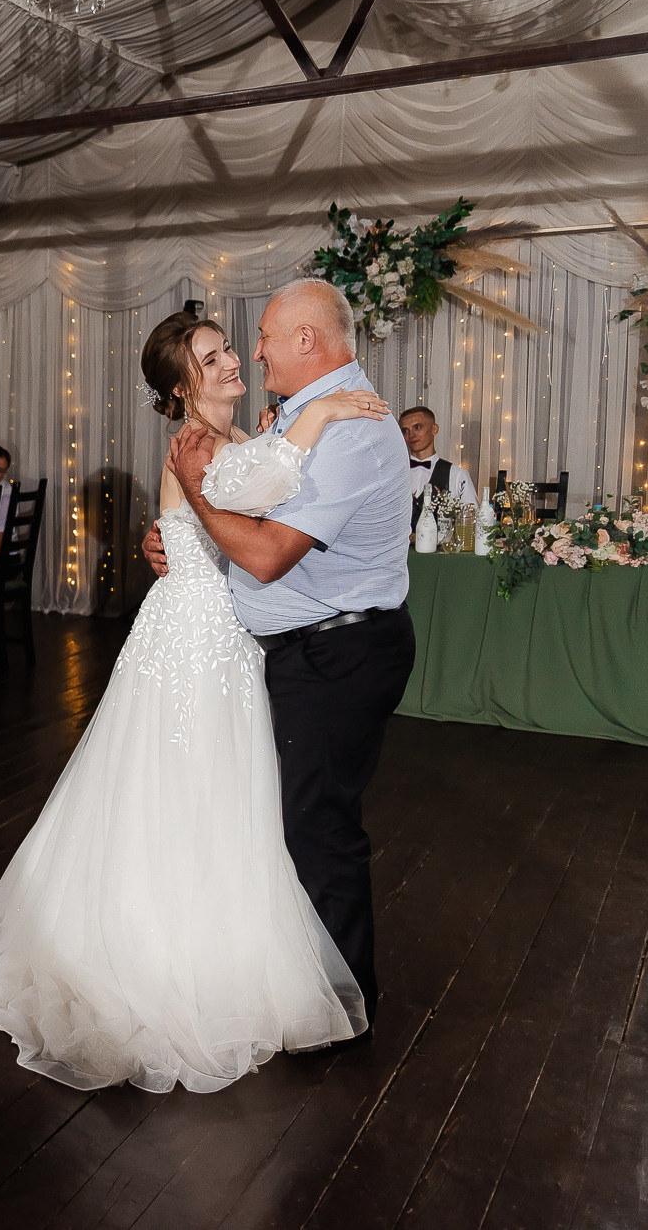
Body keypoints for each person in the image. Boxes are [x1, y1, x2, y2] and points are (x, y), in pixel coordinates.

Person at [0, 306, 392, 1092]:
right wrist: (317, 411)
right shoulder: (198, 445)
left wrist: (287, 424)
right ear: (183, 384)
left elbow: (258, 492)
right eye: (213, 357)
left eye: (227, 351)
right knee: (176, 792)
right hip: (192, 639)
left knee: (226, 799)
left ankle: (224, 941)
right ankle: (162, 954)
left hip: (229, 639)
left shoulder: (238, 436)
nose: (229, 362)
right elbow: (272, 484)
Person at [147, 278, 413, 1024]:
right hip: (223, 642)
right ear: (182, 384)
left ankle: (337, 1004)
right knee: (244, 806)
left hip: (325, 649)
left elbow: (261, 549)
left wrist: (195, 509)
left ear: (307, 341)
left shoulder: (321, 429)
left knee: (309, 821)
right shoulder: (245, 432)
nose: (245, 351)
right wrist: (172, 532)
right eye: (221, 350)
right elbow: (230, 504)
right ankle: (276, 971)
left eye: (251, 339)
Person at [400, 405, 475, 529]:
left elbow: (471, 523)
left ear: (434, 429)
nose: (411, 435)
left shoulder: (457, 475)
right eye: (405, 431)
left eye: (417, 427)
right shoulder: (394, 474)